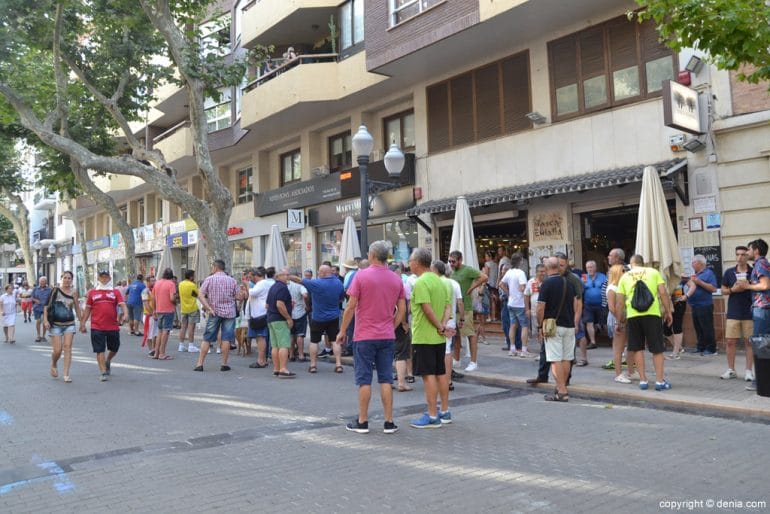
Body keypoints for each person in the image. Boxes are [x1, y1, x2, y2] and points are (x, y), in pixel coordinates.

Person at [338, 241, 406, 434]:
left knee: (364, 380)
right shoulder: (396, 279)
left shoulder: (361, 276)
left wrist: (342, 331)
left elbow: (350, 307)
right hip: (386, 335)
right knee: (386, 379)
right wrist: (392, 325)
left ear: (372, 255)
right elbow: (402, 309)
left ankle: (363, 421)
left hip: (365, 335)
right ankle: (389, 422)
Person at [615, 254, 674, 391]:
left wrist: (619, 321)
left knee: (637, 348)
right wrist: (668, 311)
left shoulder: (625, 277)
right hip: (652, 314)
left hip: (633, 315)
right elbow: (663, 293)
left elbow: (619, 302)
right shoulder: (653, 272)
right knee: (657, 349)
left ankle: (643, 380)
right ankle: (659, 381)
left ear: (631, 264)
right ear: (643, 263)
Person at [409, 248, 452, 429]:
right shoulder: (441, 281)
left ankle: (433, 416)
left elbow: (426, 309)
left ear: (417, 262)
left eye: (411, 260)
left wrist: (440, 326)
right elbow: (447, 306)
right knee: (440, 374)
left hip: (424, 336)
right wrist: (443, 325)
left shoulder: (421, 282)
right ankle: (444, 411)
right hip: (438, 337)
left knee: (428, 376)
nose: (409, 263)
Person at [536, 257, 577, 401]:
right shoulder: (569, 283)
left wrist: (540, 325)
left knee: (555, 359)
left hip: (553, 326)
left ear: (547, 269)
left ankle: (562, 391)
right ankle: (562, 387)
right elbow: (575, 304)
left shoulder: (546, 284)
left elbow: (540, 307)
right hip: (569, 325)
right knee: (566, 358)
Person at [733, 239, 770, 391]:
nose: (747, 252)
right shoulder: (761, 264)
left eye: (748, 250)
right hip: (762, 308)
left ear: (756, 251)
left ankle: (761, 382)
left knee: (761, 345)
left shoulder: (761, 264)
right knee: (764, 344)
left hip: (762, 308)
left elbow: (765, 284)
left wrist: (747, 285)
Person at [80, 270, 128, 382]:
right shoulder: (93, 292)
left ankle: (108, 360)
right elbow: (87, 309)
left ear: (109, 278)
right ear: (98, 278)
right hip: (97, 326)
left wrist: (126, 314)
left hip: (112, 326)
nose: (104, 279)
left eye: (106, 277)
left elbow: (122, 304)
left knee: (115, 348)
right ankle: (103, 371)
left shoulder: (115, 291)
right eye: (102, 277)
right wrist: (83, 323)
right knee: (99, 349)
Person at [297, 264, 345, 374]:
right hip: (333, 316)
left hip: (318, 317)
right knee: (335, 341)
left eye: (319, 272)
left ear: (323, 273)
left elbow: (300, 280)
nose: (318, 273)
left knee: (314, 341)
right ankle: (338, 365)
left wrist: (288, 276)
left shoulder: (316, 283)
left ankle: (313, 365)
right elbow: (341, 298)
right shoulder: (338, 282)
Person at [194, 259, 238, 372]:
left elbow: (200, 294)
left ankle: (200, 363)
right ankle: (224, 364)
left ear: (215, 267)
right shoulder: (232, 280)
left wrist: (208, 307)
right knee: (226, 338)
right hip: (229, 313)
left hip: (214, 311)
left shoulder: (210, 279)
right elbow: (238, 296)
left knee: (207, 338)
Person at [448, 250, 487, 372]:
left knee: (470, 334)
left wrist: (471, 289)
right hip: (454, 308)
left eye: (453, 261)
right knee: (456, 335)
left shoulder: (467, 270)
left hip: (465, 308)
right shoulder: (452, 272)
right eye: (450, 261)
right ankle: (457, 359)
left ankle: (473, 362)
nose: (451, 264)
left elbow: (484, 277)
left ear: (460, 260)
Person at [720, 246, 755, 380]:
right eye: (737, 254)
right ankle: (731, 370)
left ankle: (748, 371)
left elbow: (761, 287)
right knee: (730, 342)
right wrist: (732, 290)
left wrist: (749, 285)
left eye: (743, 255)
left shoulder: (753, 271)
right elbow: (723, 290)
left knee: (749, 343)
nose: (740, 257)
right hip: (733, 311)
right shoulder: (729, 272)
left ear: (747, 256)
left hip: (749, 311)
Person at [44, 271, 82, 383]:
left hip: (70, 323)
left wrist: (82, 322)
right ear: (61, 279)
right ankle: (54, 363)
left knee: (67, 347)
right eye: (65, 278)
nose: (67, 280)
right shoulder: (55, 290)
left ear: (72, 280)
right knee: (58, 350)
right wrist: (45, 320)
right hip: (55, 324)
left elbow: (77, 307)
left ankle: (66, 374)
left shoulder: (74, 292)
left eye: (69, 278)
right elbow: (46, 306)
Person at [499, 252, 530, 357]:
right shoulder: (520, 273)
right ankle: (524, 350)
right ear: (520, 261)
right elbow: (523, 287)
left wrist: (509, 293)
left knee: (513, 325)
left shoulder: (509, 272)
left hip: (511, 302)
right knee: (524, 326)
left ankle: (512, 349)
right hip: (520, 303)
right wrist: (522, 291)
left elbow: (501, 284)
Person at [266, 267, 296, 378]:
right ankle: (283, 369)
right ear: (278, 276)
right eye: (286, 275)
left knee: (275, 346)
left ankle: (276, 369)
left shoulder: (273, 287)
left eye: (288, 275)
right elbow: (279, 304)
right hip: (280, 319)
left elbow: (267, 305)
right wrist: (288, 318)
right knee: (283, 345)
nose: (288, 277)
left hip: (271, 318)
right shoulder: (283, 288)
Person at [686, 254, 718, 355]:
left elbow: (713, 288)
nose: (691, 264)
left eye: (693, 262)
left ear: (700, 263)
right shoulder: (695, 274)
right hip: (695, 305)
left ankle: (711, 349)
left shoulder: (709, 273)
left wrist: (699, 282)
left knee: (706, 327)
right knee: (698, 328)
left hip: (704, 305)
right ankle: (701, 347)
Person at [605, 264, 631, 383]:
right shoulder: (612, 288)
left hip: (623, 317)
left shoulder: (621, 286)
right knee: (618, 347)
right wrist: (619, 320)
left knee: (627, 346)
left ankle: (629, 372)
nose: (626, 273)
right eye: (623, 271)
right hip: (617, 318)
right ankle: (618, 374)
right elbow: (611, 307)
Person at [247, 267, 274, 369]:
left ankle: (261, 360)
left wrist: (246, 285)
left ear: (256, 275)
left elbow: (252, 293)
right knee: (261, 338)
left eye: (250, 276)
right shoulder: (264, 283)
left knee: (260, 338)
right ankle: (262, 359)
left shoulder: (261, 284)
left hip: (260, 315)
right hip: (260, 314)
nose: (250, 279)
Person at [152, 268, 177, 360]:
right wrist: (175, 302)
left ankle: (156, 353)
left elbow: (153, 298)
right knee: (166, 331)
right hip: (168, 310)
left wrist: (154, 310)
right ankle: (162, 353)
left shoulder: (157, 283)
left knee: (160, 331)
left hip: (159, 309)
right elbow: (172, 298)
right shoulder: (171, 284)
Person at [582, 260, 606, 349]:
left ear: (595, 268)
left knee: (604, 323)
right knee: (589, 322)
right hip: (588, 305)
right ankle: (593, 342)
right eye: (588, 267)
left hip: (601, 304)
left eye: (591, 267)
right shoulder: (584, 277)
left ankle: (612, 340)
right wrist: (582, 284)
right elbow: (580, 291)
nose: (589, 269)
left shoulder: (602, 277)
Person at [287, 267, 308, 362]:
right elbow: (305, 295)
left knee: (291, 335)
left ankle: (291, 354)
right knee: (300, 335)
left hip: (289, 313)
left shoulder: (286, 286)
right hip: (300, 312)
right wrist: (306, 304)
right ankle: (301, 355)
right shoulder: (300, 286)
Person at [664, 278, 687, 360]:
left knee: (677, 326)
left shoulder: (679, 275)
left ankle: (675, 353)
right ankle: (679, 348)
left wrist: (686, 295)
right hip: (668, 303)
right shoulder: (664, 275)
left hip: (678, 302)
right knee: (665, 329)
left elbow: (692, 285)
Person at [177, 269, 200, 353]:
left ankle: (181, 345)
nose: (195, 277)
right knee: (191, 327)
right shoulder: (192, 285)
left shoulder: (180, 284)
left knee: (183, 327)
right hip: (192, 308)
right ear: (191, 277)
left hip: (183, 308)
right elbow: (197, 295)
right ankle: (191, 345)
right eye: (194, 276)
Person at [31, 276, 53, 342]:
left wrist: (50, 305)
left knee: (44, 322)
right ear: (39, 282)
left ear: (46, 282)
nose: (42, 283)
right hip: (37, 307)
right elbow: (31, 297)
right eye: (41, 281)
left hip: (45, 308)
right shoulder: (35, 289)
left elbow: (52, 298)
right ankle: (38, 335)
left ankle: (43, 336)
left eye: (43, 281)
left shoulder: (49, 290)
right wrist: (35, 300)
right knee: (38, 321)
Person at [141, 276, 157, 354]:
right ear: (147, 282)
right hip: (149, 315)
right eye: (152, 281)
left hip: (155, 315)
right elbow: (146, 304)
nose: (154, 282)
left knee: (155, 334)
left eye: (155, 280)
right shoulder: (145, 291)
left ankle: (155, 349)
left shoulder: (154, 290)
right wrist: (153, 313)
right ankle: (151, 350)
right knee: (149, 334)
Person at [483, 250, 499, 322]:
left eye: (486, 256)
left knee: (488, 301)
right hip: (495, 284)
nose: (485, 258)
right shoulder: (496, 264)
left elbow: (486, 275)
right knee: (493, 301)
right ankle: (494, 316)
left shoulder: (487, 264)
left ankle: (489, 317)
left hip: (488, 284)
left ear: (490, 257)